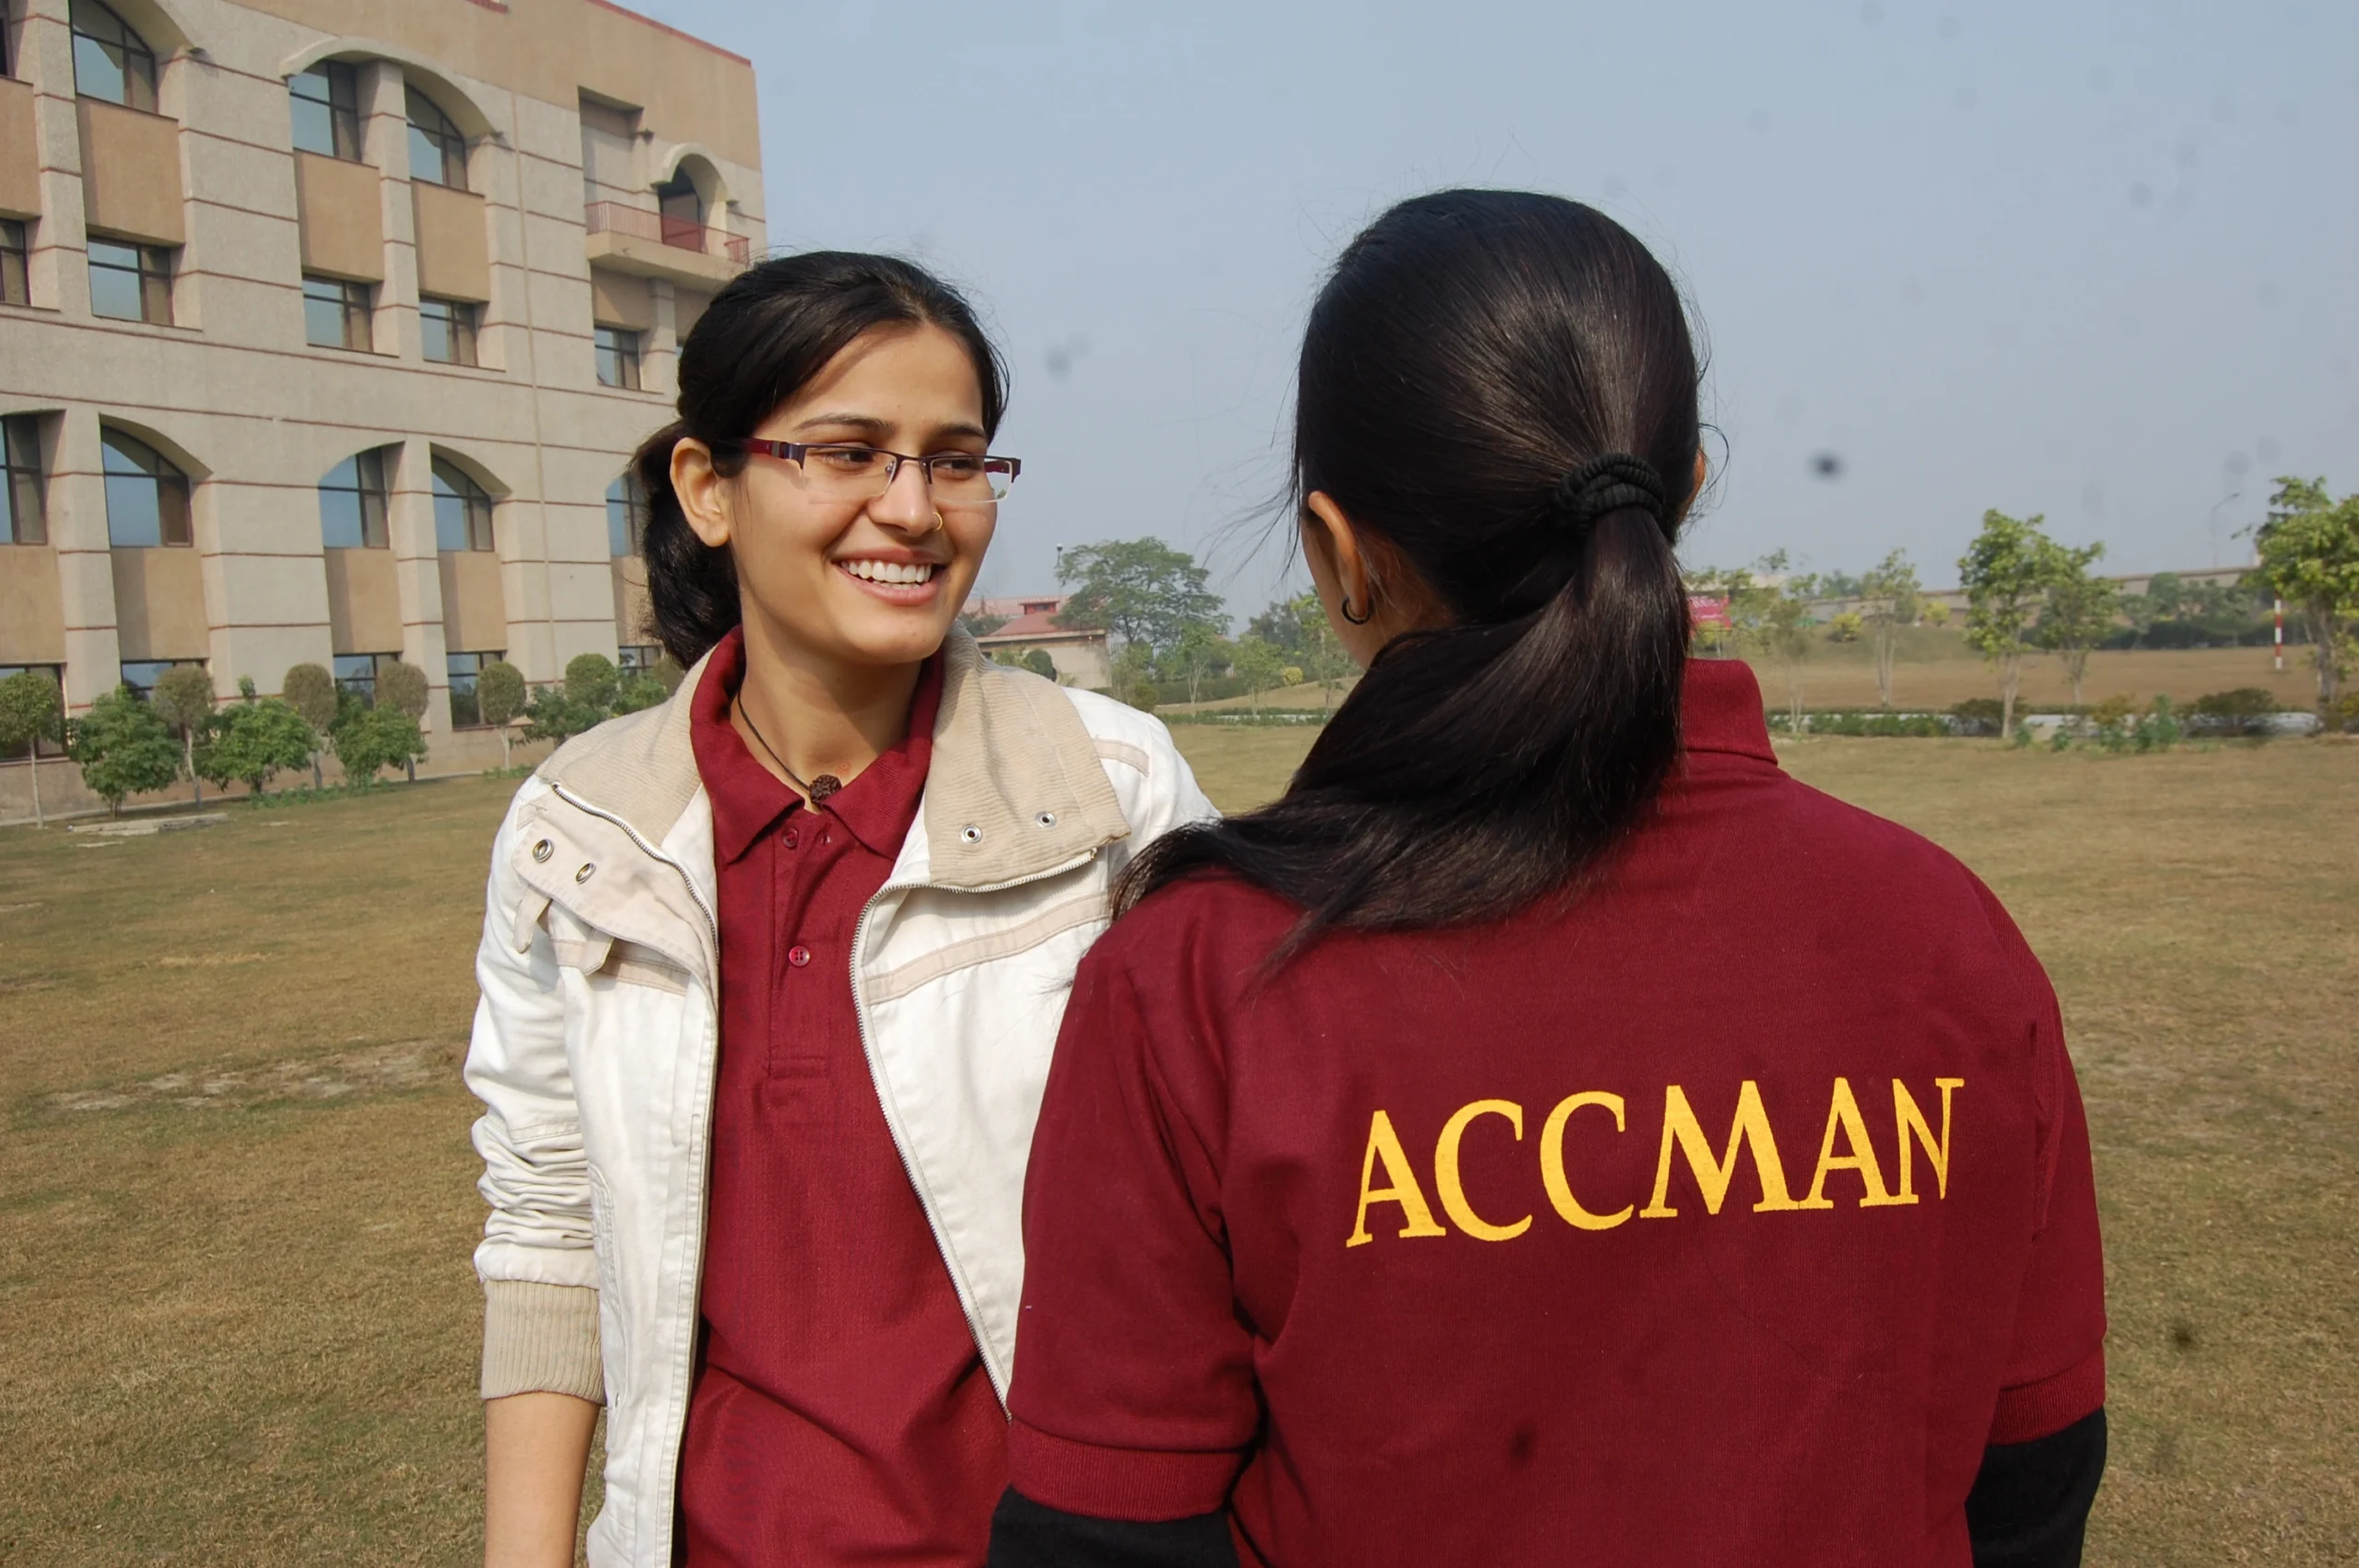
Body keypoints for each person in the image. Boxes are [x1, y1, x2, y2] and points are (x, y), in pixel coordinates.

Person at [989, 191, 2107, 1568]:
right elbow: (2032, 1481)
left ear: (1339, 552)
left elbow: (1107, 1533)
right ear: (1687, 489)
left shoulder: (1203, 980)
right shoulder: (1943, 934)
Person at [465, 251, 1215, 1568]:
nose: (913, 509)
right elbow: (548, 1222)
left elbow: (1225, 1211)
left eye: (955, 460)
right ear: (708, 488)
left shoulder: (1112, 791)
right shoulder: (577, 831)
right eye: (849, 453)